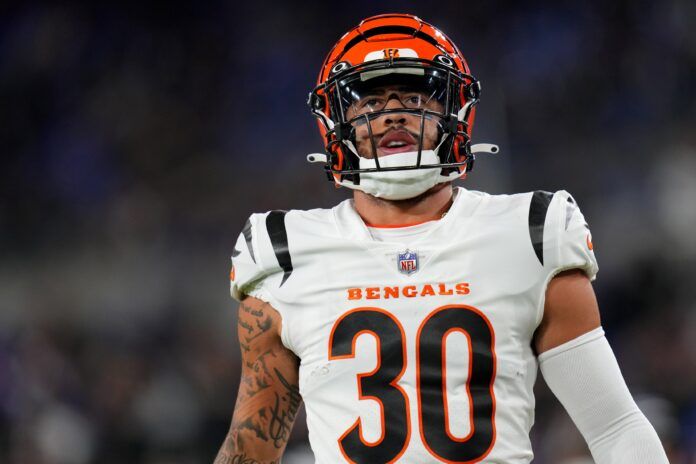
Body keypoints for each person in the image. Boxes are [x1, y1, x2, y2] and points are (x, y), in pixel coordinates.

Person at [215, 13, 669, 464]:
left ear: (454, 113)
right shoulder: (282, 249)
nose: (394, 114)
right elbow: (251, 447)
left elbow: (614, 426)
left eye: (416, 97)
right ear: (335, 124)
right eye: (370, 104)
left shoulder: (530, 232)